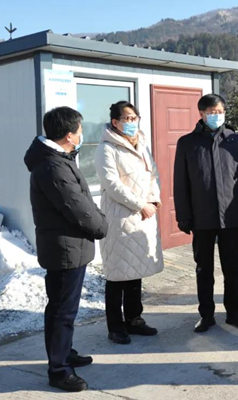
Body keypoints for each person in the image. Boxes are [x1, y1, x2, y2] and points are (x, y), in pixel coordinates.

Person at [24, 107, 109, 392]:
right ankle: (59, 369)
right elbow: (78, 207)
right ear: (69, 135)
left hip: (69, 246)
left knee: (62, 308)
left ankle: (64, 352)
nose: (82, 135)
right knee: (62, 311)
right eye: (80, 131)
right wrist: (102, 225)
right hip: (64, 248)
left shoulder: (57, 159)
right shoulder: (53, 166)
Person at [173, 94, 238, 333]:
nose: (216, 116)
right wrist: (183, 215)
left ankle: (234, 313)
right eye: (211, 112)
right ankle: (206, 315)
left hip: (230, 216)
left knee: (233, 268)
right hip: (202, 217)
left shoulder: (234, 140)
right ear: (201, 114)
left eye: (220, 111)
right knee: (204, 269)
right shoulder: (187, 143)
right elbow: (181, 182)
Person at [95, 101, 164, 345]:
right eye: (127, 118)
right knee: (117, 275)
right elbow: (112, 184)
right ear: (115, 122)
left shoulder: (141, 144)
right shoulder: (106, 148)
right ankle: (115, 326)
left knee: (135, 272)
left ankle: (135, 319)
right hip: (120, 218)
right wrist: (140, 204)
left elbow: (153, 174)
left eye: (134, 118)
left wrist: (153, 200)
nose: (132, 122)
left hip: (143, 216)